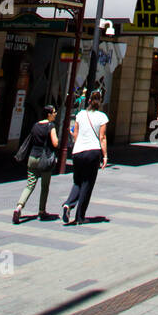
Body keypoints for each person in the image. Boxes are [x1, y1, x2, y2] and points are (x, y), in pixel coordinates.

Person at [63, 90, 107, 225]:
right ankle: (80, 216)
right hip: (92, 151)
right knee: (87, 183)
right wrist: (105, 156)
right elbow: (102, 137)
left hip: (78, 151)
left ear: (88, 101)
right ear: (100, 103)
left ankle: (68, 204)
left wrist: (78, 145)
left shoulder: (80, 115)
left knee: (77, 181)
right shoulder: (102, 117)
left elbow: (75, 133)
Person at [13, 105, 58, 223]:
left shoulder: (36, 125)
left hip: (32, 157)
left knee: (30, 184)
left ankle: (19, 206)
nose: (55, 114)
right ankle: (41, 211)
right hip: (45, 159)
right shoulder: (50, 126)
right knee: (44, 186)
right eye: (54, 112)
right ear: (48, 114)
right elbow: (55, 143)